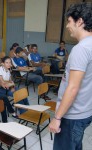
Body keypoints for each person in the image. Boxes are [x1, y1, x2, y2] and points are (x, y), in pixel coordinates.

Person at [49, 2, 92, 150]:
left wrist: (57, 117)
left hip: (72, 115)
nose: (67, 26)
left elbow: (73, 88)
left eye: (69, 21)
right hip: (85, 111)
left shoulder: (81, 49)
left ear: (79, 21)